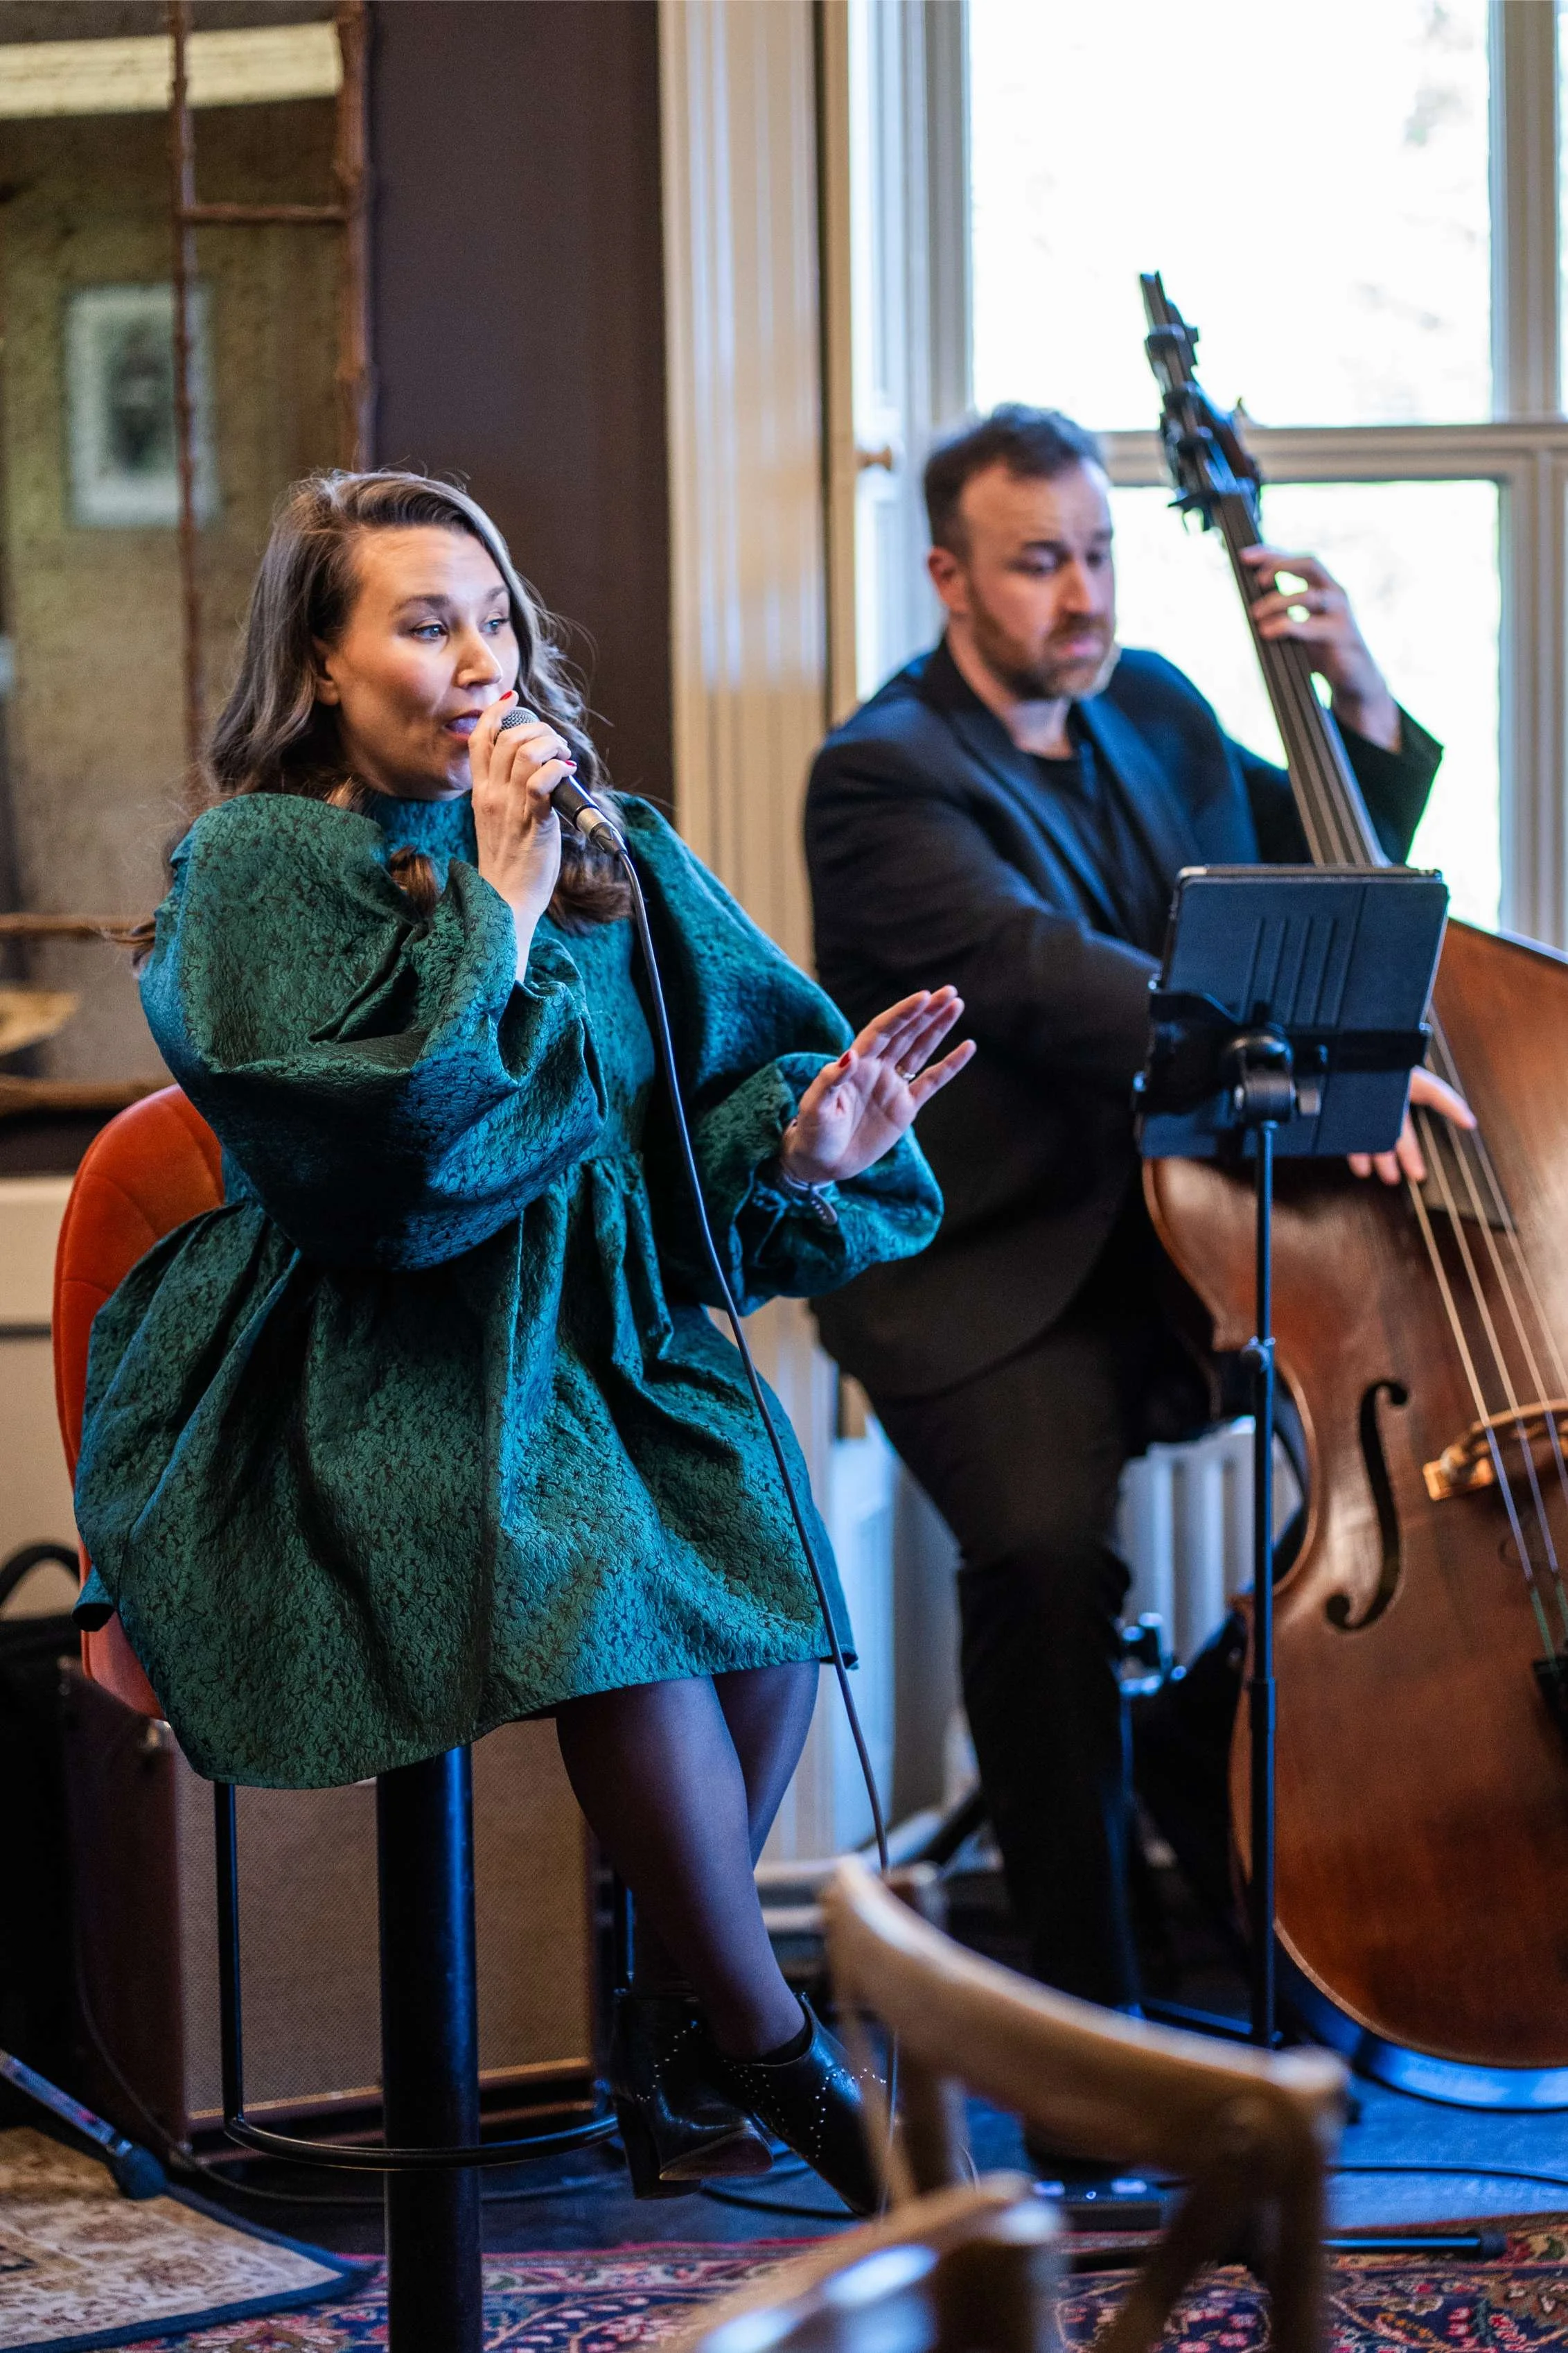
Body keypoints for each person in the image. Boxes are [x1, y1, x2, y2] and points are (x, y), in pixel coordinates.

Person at [71, 469, 974, 2212]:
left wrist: (803, 1144)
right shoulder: (260, 863)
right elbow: (402, 1158)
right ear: (322, 667)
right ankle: (774, 2045)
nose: (477, 658)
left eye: (492, 616)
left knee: (763, 1554)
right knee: (611, 1593)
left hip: (590, 1338)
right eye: (424, 623)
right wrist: (492, 896)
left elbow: (685, 1122)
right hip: (361, 1356)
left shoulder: (608, 843)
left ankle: (683, 2013)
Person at [804, 405, 1471, 2018]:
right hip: (992, 1273)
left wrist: (1360, 701)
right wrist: (1329, 1071)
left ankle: (1195, 1734)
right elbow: (1043, 979)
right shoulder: (881, 775)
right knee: (1041, 1562)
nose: (1085, 593)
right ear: (950, 574)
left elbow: (1318, 860)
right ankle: (1088, 2033)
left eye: (1099, 553)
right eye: (1042, 562)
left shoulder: (1157, 706)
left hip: (1200, 1241)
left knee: (1415, 1491)